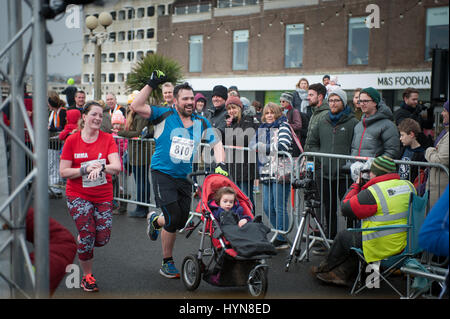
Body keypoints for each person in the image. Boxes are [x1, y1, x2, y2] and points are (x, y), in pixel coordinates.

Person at [130, 72, 227, 279]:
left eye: (192, 98)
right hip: (162, 173)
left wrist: (221, 164)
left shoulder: (201, 122)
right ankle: (167, 262)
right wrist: (151, 83)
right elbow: (136, 106)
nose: (190, 102)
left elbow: (216, 143)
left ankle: (156, 221)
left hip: (185, 177)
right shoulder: (163, 114)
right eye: (185, 99)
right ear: (175, 101)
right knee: (173, 217)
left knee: (181, 221)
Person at [311, 156, 416, 286]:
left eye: (371, 171)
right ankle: (340, 274)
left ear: (377, 173)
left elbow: (346, 207)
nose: (369, 174)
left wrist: (355, 184)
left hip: (382, 244)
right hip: (406, 243)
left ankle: (325, 267)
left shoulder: (375, 191)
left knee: (345, 236)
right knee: (359, 240)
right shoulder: (408, 185)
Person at [59, 100, 121, 292]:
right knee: (88, 236)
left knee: (101, 238)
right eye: (93, 114)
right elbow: (63, 172)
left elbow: (117, 167)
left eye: (100, 115)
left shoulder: (107, 139)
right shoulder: (72, 140)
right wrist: (84, 169)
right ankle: (87, 276)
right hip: (78, 194)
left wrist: (101, 166)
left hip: (103, 195)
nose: (97, 118)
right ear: (84, 117)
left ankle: (85, 234)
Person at [306, 87, 358, 241]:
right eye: (331, 100)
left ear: (343, 102)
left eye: (337, 100)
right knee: (329, 209)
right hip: (325, 173)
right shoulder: (322, 121)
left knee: (349, 209)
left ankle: (351, 240)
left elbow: (356, 147)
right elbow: (312, 143)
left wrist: (349, 162)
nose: (333, 103)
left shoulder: (353, 122)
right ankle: (330, 239)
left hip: (345, 175)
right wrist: (322, 159)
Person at [249, 102, 294, 249]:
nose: (269, 115)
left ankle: (281, 237)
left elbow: (283, 146)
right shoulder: (262, 128)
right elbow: (251, 144)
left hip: (281, 172)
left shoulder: (284, 126)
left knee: (279, 206)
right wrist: (258, 147)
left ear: (277, 113)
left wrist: (263, 148)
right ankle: (281, 233)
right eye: (267, 113)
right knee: (268, 207)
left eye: (272, 112)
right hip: (266, 171)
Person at [116, 92, 154, 218]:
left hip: (140, 153)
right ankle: (141, 207)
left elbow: (137, 133)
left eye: (131, 104)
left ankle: (142, 208)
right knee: (140, 181)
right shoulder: (135, 113)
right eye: (129, 104)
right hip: (137, 152)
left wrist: (120, 133)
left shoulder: (142, 115)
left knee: (141, 181)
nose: (129, 106)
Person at [223, 95, 259, 207]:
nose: (231, 111)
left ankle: (251, 220)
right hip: (235, 165)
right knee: (238, 197)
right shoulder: (232, 122)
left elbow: (244, 138)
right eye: (229, 109)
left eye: (233, 108)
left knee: (246, 196)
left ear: (240, 108)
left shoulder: (248, 119)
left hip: (245, 166)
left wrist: (230, 134)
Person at [350, 87, 400, 159]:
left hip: (376, 169)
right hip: (357, 169)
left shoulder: (388, 125)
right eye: (360, 101)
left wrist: (375, 167)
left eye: (365, 101)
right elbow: (353, 149)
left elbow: (392, 151)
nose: (362, 104)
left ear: (375, 102)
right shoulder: (358, 126)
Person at [425, 101, 449, 207]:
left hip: (442, 188)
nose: (442, 114)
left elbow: (441, 160)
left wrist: (429, 151)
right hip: (438, 187)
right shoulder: (446, 132)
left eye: (445, 111)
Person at [397, 118, 427, 185]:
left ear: (411, 134)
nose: (400, 138)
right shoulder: (403, 150)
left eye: (402, 135)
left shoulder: (422, 155)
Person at [111, 111, 129, 215]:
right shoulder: (113, 135)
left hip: (122, 163)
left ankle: (123, 206)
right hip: (115, 163)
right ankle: (114, 203)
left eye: (118, 123)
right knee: (115, 184)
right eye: (115, 123)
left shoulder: (122, 135)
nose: (116, 125)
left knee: (123, 186)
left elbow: (124, 148)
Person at [304, 83, 329, 151]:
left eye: (311, 95)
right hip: (311, 157)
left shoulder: (326, 114)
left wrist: (318, 158)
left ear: (320, 96)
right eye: (308, 95)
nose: (308, 98)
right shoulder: (315, 113)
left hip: (317, 158)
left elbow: (325, 141)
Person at [279, 91, 303, 156]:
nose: (281, 103)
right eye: (280, 101)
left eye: (283, 101)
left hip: (293, 142)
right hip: (283, 140)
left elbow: (298, 125)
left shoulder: (294, 111)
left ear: (289, 101)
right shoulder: (280, 111)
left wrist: (285, 125)